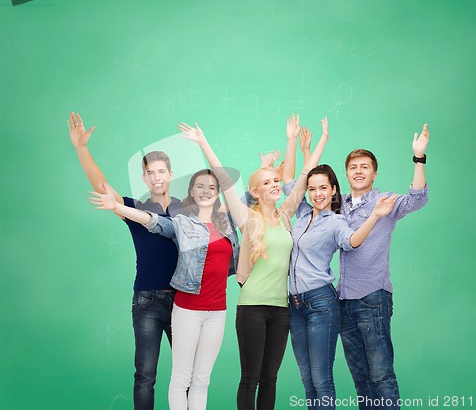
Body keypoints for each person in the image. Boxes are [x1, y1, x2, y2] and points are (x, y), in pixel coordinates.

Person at [176, 115, 329, 410]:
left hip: (281, 309)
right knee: (250, 379)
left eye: (276, 180)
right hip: (252, 308)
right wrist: (202, 142)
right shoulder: (247, 217)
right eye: (267, 182)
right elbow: (223, 179)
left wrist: (314, 141)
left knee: (270, 379)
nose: (274, 185)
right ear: (256, 191)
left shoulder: (285, 215)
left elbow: (306, 173)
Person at [89, 168, 240, 410]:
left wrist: (273, 169)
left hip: (217, 311)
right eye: (200, 186)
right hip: (187, 308)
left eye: (212, 187)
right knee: (177, 378)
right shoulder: (182, 222)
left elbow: (253, 197)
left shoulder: (227, 223)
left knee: (201, 380)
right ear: (190, 192)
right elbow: (152, 221)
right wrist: (117, 207)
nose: (206, 191)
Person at [67, 112, 182, 410]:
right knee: (145, 374)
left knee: (187, 374)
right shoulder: (134, 208)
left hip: (183, 301)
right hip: (147, 300)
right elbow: (102, 185)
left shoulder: (187, 210)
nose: (157, 177)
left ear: (170, 174)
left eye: (161, 171)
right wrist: (82, 149)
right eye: (151, 173)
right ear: (144, 178)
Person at [284, 127, 398, 410]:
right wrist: (301, 148)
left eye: (324, 188)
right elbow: (290, 180)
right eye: (312, 189)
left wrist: (374, 215)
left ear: (335, 190)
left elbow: (353, 241)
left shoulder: (336, 221)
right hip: (294, 303)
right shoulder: (300, 214)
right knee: (307, 377)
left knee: (323, 379)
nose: (317, 193)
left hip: (321, 301)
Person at [338, 124, 430, 410]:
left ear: (374, 173)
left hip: (373, 298)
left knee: (380, 376)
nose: (359, 171)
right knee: (361, 378)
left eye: (365, 167)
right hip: (342, 301)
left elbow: (418, 198)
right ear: (347, 173)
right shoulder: (337, 204)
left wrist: (419, 158)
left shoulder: (385, 201)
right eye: (353, 167)